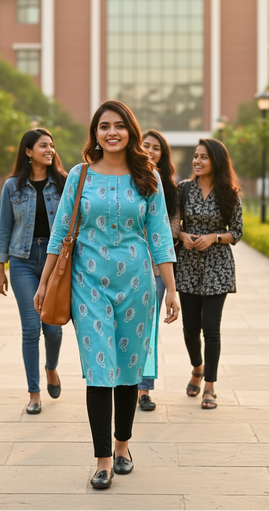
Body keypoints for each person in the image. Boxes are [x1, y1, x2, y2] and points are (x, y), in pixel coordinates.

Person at [34, 100, 180, 489]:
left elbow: (160, 236)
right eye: (103, 127)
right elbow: (60, 233)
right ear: (95, 133)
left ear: (130, 131)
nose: (111, 132)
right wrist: (45, 282)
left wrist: (172, 289)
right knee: (100, 372)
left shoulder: (146, 176)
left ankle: (122, 446)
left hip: (136, 287)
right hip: (87, 285)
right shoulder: (80, 176)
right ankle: (101, 459)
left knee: (129, 369)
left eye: (118, 126)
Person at [0, 128, 67, 415]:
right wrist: (0, 269)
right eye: (43, 146)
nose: (49, 150)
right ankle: (34, 393)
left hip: (54, 263)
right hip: (22, 261)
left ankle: (51, 367)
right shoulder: (12, 187)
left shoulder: (62, 184)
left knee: (54, 328)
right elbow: (4, 229)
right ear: (28, 151)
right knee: (30, 328)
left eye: (51, 145)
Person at [175, 138, 243, 409]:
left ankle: (210, 387)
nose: (197, 161)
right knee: (190, 328)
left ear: (216, 161)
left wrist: (214, 237)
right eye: (195, 156)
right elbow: (172, 222)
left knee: (211, 328)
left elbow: (236, 231)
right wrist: (181, 234)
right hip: (188, 265)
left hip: (218, 267)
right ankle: (197, 368)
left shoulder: (229, 193)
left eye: (203, 157)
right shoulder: (183, 189)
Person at [138, 130, 180, 411]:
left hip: (154, 268)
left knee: (148, 329)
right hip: (125, 266)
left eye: (156, 148)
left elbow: (173, 228)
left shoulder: (170, 189)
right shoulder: (127, 179)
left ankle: (143, 390)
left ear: (163, 155)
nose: (150, 151)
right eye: (146, 146)